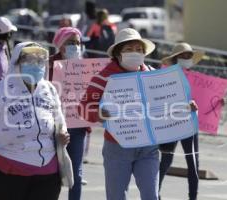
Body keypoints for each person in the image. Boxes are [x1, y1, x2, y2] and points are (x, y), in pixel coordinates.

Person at [0, 42, 70, 200]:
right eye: (29, 60)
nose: (36, 65)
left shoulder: (50, 89)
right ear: (17, 62)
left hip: (48, 171)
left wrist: (62, 132)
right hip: (7, 169)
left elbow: (58, 117)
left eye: (39, 61)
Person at [79, 28, 159, 200]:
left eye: (139, 49)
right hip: (118, 147)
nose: (135, 53)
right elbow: (83, 108)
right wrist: (99, 113)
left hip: (148, 147)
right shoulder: (103, 78)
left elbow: (166, 105)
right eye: (129, 49)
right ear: (118, 53)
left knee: (151, 195)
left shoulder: (153, 74)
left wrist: (186, 107)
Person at [49, 27, 91, 200]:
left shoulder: (86, 66)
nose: (75, 46)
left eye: (77, 42)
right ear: (60, 44)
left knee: (77, 173)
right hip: (53, 127)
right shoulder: (49, 64)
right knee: (52, 172)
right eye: (70, 42)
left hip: (78, 125)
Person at [159, 42, 203, 200]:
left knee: (193, 164)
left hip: (190, 125)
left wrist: (218, 102)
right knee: (166, 159)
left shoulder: (197, 79)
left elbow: (204, 99)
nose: (187, 58)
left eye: (189, 55)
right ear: (176, 58)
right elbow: (161, 99)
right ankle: (154, 193)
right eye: (184, 55)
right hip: (172, 123)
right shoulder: (166, 76)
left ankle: (193, 197)